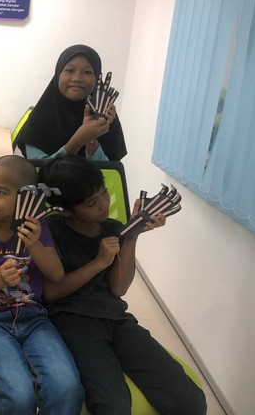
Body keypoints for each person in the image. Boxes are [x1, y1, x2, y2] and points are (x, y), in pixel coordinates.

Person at [40, 154, 207, 415]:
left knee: (190, 401)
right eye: (92, 203)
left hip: (116, 318)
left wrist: (131, 235)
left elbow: (118, 289)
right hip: (72, 321)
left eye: (104, 193)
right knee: (113, 406)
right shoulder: (50, 231)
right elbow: (52, 293)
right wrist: (98, 262)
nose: (104, 204)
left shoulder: (113, 228)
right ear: (65, 210)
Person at [0, 155, 84, 414]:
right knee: (18, 395)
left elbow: (56, 274)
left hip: (34, 318)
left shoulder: (37, 229)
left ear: (26, 198)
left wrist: (35, 245)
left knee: (67, 387)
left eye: (0, 192)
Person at [16, 44, 127, 161]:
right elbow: (39, 169)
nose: (77, 78)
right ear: (58, 74)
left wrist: (92, 141)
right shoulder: (39, 118)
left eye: (87, 72)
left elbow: (112, 169)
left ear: (97, 79)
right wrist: (78, 141)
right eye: (70, 70)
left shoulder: (106, 118)